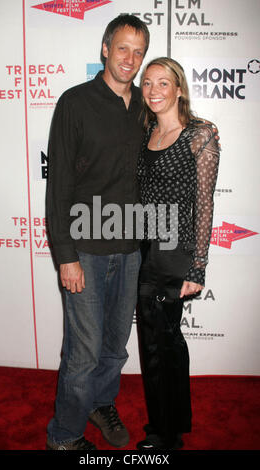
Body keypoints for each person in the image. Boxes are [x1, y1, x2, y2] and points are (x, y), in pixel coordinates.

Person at [46, 15, 150, 450]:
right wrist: (65, 255)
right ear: (105, 48)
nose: (130, 59)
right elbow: (60, 186)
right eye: (122, 48)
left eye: (138, 52)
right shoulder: (75, 102)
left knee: (115, 347)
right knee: (84, 353)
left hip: (130, 250)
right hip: (84, 250)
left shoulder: (145, 107)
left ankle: (101, 402)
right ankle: (64, 438)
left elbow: (175, 132)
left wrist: (202, 131)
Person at [136, 57, 220, 450]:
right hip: (142, 248)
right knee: (151, 342)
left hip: (174, 250)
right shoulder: (145, 131)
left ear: (179, 88)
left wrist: (198, 265)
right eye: (147, 83)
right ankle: (163, 425)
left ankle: (168, 434)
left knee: (166, 340)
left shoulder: (199, 136)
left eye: (163, 83)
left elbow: (205, 205)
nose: (153, 90)